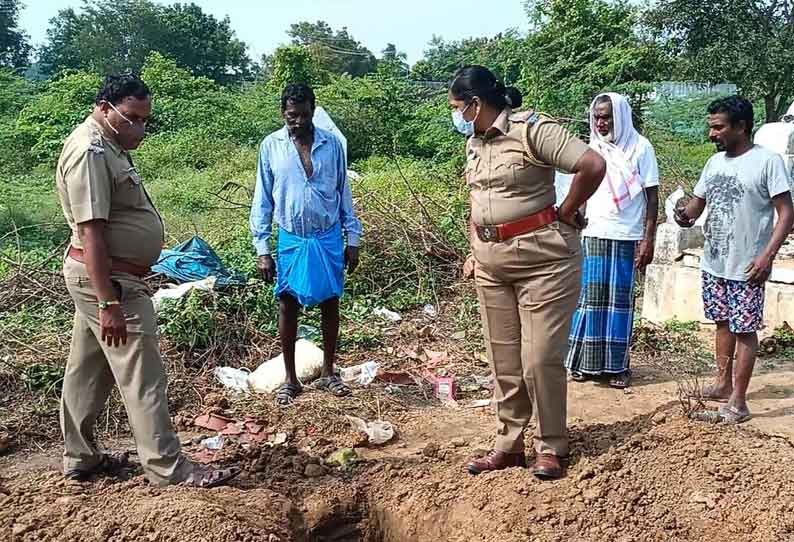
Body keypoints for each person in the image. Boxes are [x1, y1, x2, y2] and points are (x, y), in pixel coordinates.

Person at [56, 74, 238, 487]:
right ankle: (169, 470)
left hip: (107, 278)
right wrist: (108, 302)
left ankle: (80, 457)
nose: (140, 128)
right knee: (143, 373)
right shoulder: (90, 150)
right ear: (105, 108)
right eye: (132, 118)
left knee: (89, 369)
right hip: (109, 281)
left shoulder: (111, 146)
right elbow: (92, 232)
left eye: (145, 120)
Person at [451, 66, 606, 480]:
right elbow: (477, 199)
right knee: (504, 360)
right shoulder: (474, 143)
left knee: (539, 360)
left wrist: (568, 210)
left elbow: (591, 164)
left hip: (545, 263)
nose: (456, 115)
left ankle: (551, 444)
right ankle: (509, 443)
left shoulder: (532, 130)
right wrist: (475, 249)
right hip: (492, 265)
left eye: (457, 108)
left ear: (476, 104)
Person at [675, 96, 794, 424]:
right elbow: (695, 208)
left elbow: (787, 214)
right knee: (723, 323)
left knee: (744, 331)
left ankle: (739, 403)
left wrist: (766, 256)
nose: (712, 133)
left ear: (741, 127)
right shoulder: (714, 164)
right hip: (715, 262)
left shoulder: (768, 162)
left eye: (718, 127)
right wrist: (683, 215)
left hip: (748, 265)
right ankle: (723, 385)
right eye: (711, 126)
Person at [250, 83, 363, 406]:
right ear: (282, 114)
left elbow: (344, 194)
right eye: (290, 116)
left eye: (302, 114)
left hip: (327, 236)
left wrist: (352, 238)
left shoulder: (332, 146)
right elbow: (263, 200)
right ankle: (291, 379)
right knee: (288, 302)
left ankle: (329, 372)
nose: (297, 122)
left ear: (313, 110)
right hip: (291, 238)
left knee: (330, 302)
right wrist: (263, 249)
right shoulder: (271, 146)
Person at [565, 93, 660, 388]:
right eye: (597, 117)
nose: (601, 122)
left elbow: (652, 197)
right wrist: (576, 220)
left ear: (620, 117)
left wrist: (648, 239)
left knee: (619, 304)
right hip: (594, 232)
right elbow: (581, 191)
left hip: (626, 234)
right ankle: (584, 363)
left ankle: (617, 367)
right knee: (589, 300)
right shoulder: (592, 148)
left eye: (606, 117)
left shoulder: (641, 148)